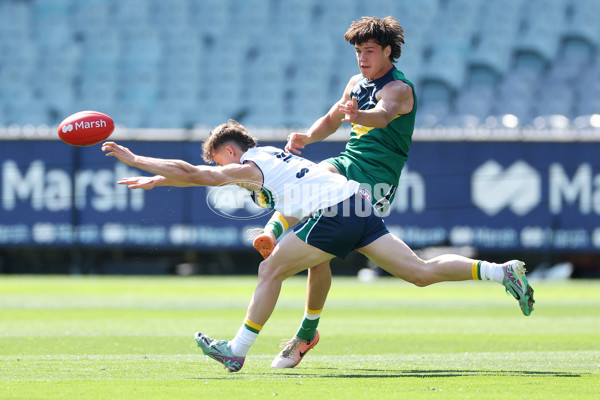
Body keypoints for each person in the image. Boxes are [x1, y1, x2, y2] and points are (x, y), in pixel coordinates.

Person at [101, 120, 535, 373]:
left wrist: (138, 159)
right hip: (355, 205)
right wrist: (160, 180)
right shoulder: (269, 159)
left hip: (335, 213)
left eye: (218, 160)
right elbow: (195, 175)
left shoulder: (251, 167)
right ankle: (502, 271)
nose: (219, 169)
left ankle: (237, 352)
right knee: (419, 273)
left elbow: (196, 174)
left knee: (270, 270)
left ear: (230, 151)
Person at [251, 16, 418, 368]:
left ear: (388, 51)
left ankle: (305, 327)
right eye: (358, 52)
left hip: (375, 182)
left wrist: (359, 114)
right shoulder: (356, 83)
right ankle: (273, 235)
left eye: (369, 51)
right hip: (346, 166)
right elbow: (332, 117)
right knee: (317, 179)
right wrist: (307, 137)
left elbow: (383, 117)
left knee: (420, 273)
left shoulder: (399, 89)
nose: (362, 58)